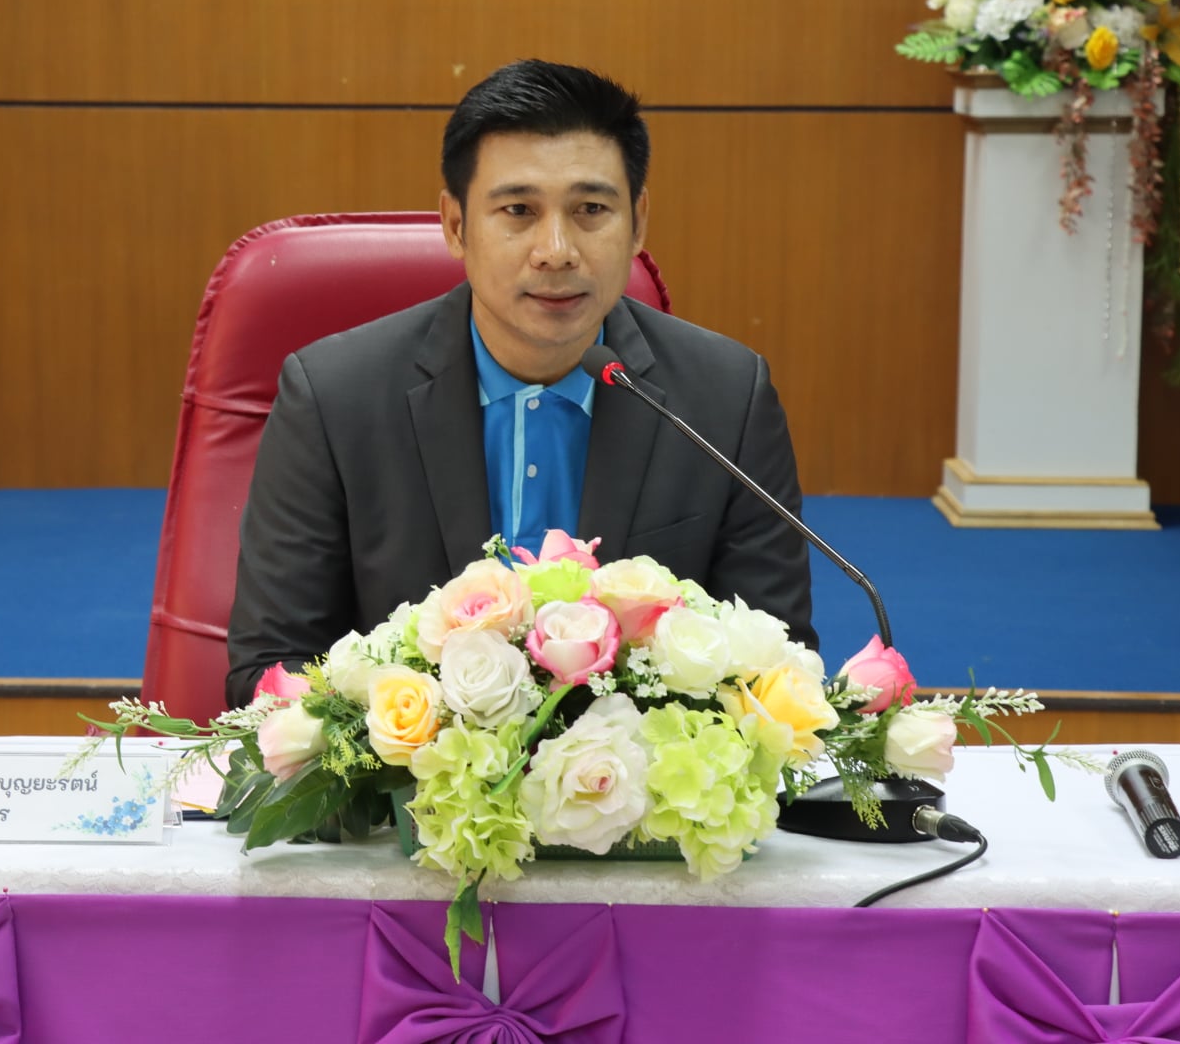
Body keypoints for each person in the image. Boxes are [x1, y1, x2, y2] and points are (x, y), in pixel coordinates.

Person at [225, 59, 814, 707]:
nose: (556, 249)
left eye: (591, 209)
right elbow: (272, 668)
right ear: (456, 226)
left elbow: (774, 666)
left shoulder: (726, 399)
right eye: (518, 210)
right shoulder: (334, 398)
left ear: (638, 223)